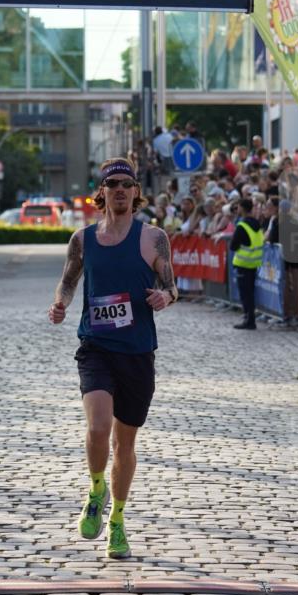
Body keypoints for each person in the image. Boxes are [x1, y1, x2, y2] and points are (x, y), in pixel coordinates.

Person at [48, 158, 177, 560]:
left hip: (137, 352)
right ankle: (96, 489)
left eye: (126, 183)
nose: (120, 189)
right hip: (96, 347)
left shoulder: (153, 238)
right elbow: (68, 281)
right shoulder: (83, 239)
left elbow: (172, 286)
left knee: (125, 444)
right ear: (101, 192)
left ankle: (117, 520)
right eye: (112, 183)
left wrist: (164, 297)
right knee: (98, 426)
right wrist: (60, 303)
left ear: (136, 192)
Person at [230, 198, 263, 330]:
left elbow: (233, 246)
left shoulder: (242, 226)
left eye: (238, 207)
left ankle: (249, 320)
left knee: (245, 295)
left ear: (242, 208)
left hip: (243, 264)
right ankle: (251, 319)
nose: (237, 209)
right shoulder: (257, 224)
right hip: (254, 264)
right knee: (250, 293)